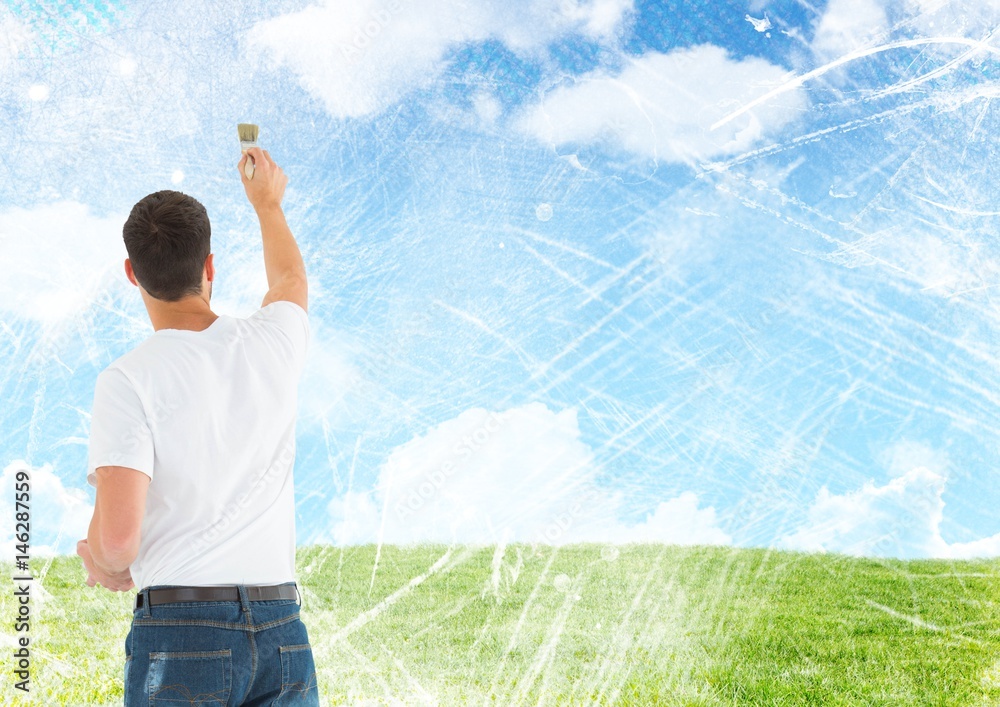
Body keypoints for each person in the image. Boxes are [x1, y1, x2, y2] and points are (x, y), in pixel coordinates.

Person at [76, 147, 320, 706]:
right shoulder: (273, 343)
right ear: (210, 266)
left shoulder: (126, 380)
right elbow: (290, 278)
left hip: (180, 635)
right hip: (283, 628)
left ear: (132, 273)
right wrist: (267, 204)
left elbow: (116, 542)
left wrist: (100, 559)